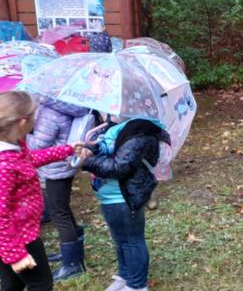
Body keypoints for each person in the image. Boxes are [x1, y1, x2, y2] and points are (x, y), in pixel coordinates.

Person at [0, 91, 86, 291]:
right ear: (23, 121)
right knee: (41, 284)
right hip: (18, 237)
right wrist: (16, 254)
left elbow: (31, 159)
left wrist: (67, 149)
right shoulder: (4, 165)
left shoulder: (14, 147)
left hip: (17, 235)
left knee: (13, 284)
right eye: (35, 115)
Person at [82, 117, 170, 291]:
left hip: (124, 197)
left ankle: (137, 285)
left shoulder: (139, 131)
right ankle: (125, 276)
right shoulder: (114, 127)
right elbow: (105, 147)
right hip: (109, 197)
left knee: (132, 241)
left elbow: (120, 167)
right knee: (120, 240)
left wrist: (87, 161)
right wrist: (89, 149)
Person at [27, 99, 90, 281]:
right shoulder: (67, 105)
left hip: (56, 167)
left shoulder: (50, 111)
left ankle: (73, 264)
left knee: (59, 213)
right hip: (65, 162)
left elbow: (37, 145)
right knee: (63, 208)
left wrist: (25, 134)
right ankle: (73, 252)